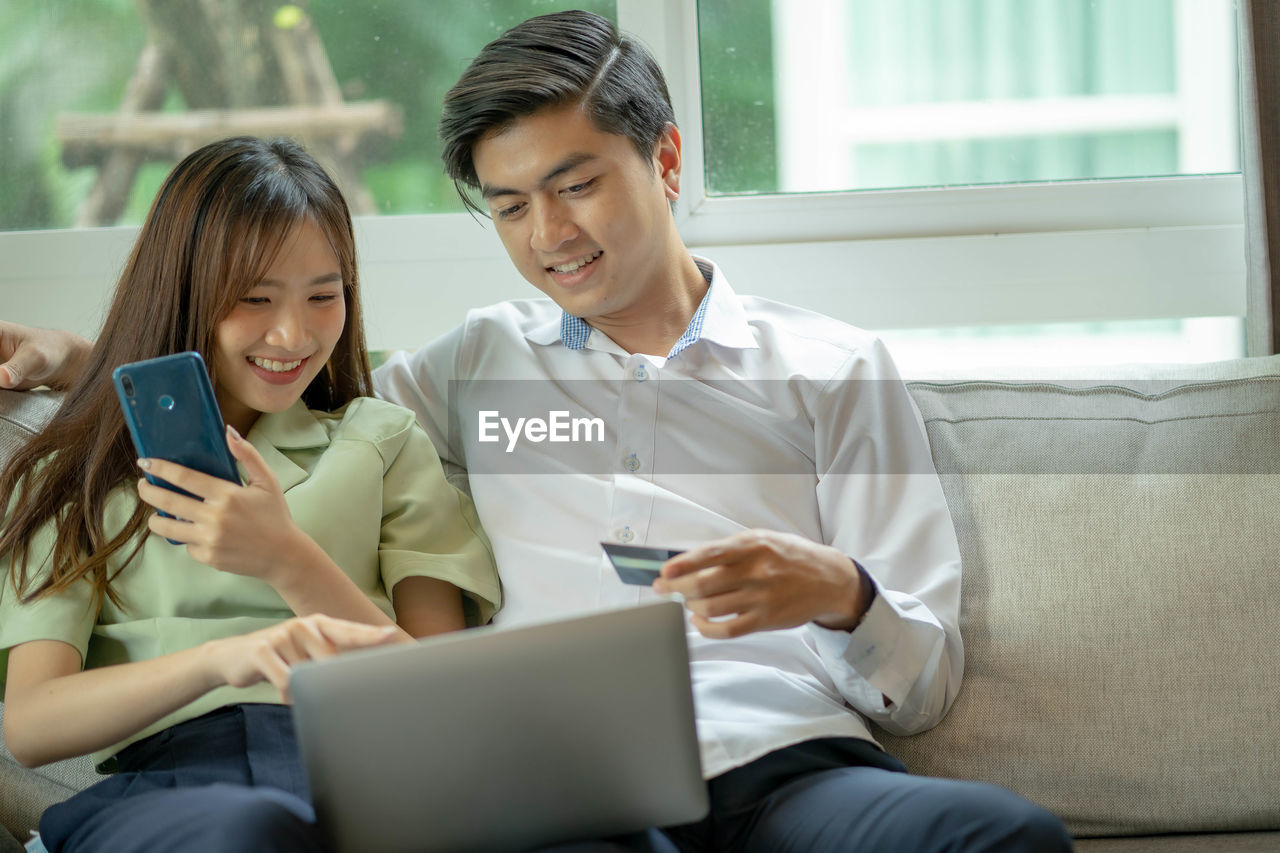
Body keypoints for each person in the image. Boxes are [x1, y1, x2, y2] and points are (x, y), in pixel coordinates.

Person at [1, 12, 1072, 852]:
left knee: (995, 833)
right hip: (562, 795)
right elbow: (277, 368)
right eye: (509, 207)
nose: (549, 234)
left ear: (663, 160)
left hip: (782, 763)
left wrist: (839, 591)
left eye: (575, 185)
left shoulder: (831, 371)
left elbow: (921, 685)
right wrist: (71, 359)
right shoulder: (471, 364)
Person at [0, 136, 500, 853]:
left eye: (324, 295)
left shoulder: (383, 439)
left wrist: (287, 557)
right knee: (250, 831)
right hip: (179, 790)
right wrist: (223, 660)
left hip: (376, 771)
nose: (292, 333)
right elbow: (34, 722)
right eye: (254, 298)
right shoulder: (82, 468)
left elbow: (443, 697)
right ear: (184, 291)